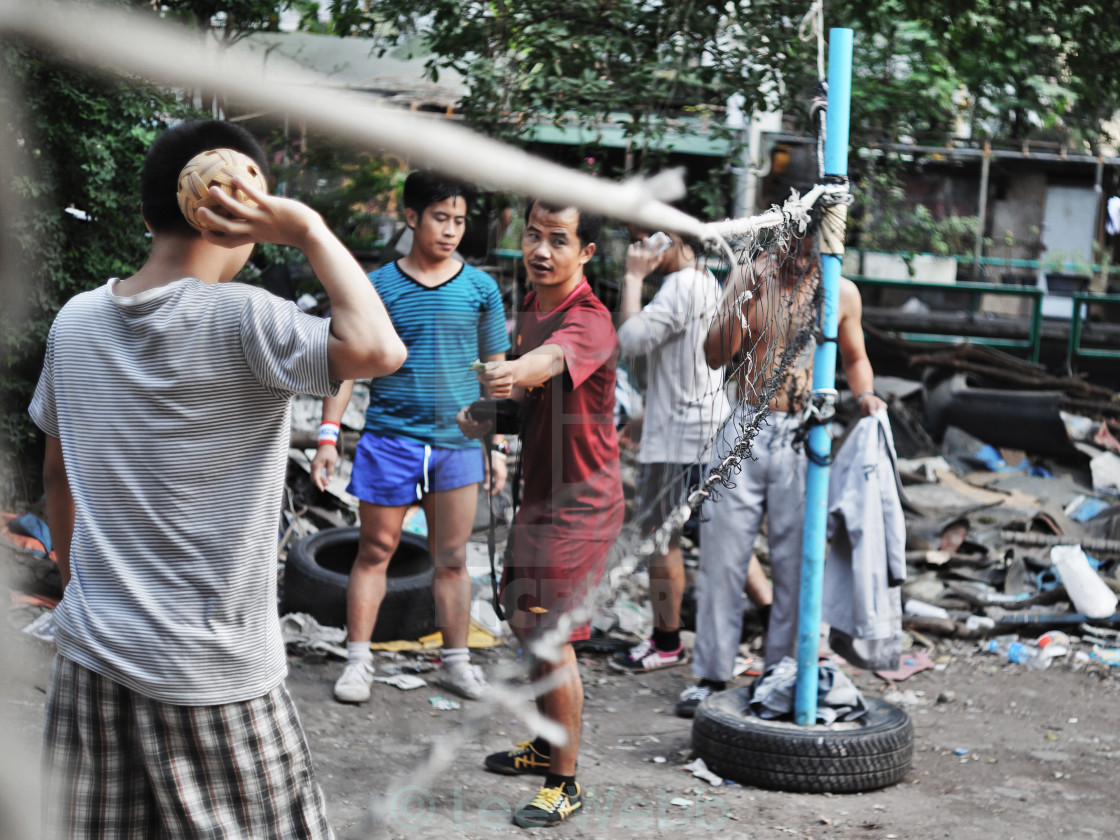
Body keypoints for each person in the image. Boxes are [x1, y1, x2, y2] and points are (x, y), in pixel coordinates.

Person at [29, 119, 407, 838]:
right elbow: (380, 350)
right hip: (210, 671)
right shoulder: (247, 319)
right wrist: (310, 229)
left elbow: (57, 475)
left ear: (147, 214)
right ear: (244, 216)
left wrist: (84, 589)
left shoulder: (74, 322)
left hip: (90, 654)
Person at [310, 171, 510, 704]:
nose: (451, 231)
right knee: (375, 549)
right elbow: (346, 366)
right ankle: (357, 662)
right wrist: (328, 436)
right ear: (412, 217)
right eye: (441, 218)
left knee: (452, 558)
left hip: (459, 445)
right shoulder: (376, 288)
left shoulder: (481, 288)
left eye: (460, 221)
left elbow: (496, 369)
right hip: (390, 440)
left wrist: (500, 445)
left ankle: (457, 663)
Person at [675, 224, 887, 718]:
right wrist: (744, 294)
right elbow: (713, 356)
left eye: (815, 245)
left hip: (806, 430)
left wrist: (866, 394)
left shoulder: (841, 291)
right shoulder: (752, 278)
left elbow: (855, 358)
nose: (803, 253)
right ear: (783, 237)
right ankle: (709, 675)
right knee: (722, 554)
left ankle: (780, 672)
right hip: (746, 420)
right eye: (796, 241)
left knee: (798, 559)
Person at [457, 200, 623, 828]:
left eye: (559, 239)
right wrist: (492, 414)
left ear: (585, 252)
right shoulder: (533, 307)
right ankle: (547, 743)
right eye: (533, 235)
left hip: (581, 505)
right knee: (526, 622)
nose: (542, 250)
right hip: (540, 495)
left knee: (550, 638)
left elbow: (547, 363)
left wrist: (509, 372)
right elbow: (531, 403)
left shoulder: (590, 320)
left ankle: (566, 782)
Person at [609, 227, 773, 674]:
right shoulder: (701, 282)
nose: (637, 249)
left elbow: (631, 339)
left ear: (669, 240)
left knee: (662, 539)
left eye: (644, 240)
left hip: (679, 440)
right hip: (703, 428)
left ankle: (665, 641)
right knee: (719, 534)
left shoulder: (679, 285)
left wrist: (632, 277)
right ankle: (775, 618)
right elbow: (688, 365)